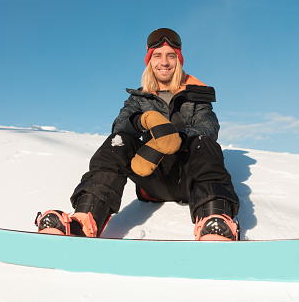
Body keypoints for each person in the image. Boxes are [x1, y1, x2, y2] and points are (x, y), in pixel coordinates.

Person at [35, 28, 240, 241]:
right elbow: (120, 126)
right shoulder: (138, 98)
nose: (164, 62)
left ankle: (214, 220)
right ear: (150, 61)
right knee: (118, 142)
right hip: (152, 177)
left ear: (178, 60)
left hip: (190, 179)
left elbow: (208, 126)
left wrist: (175, 139)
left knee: (205, 143)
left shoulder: (196, 95)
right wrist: (142, 120)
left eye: (171, 56)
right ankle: (84, 220)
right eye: (157, 56)